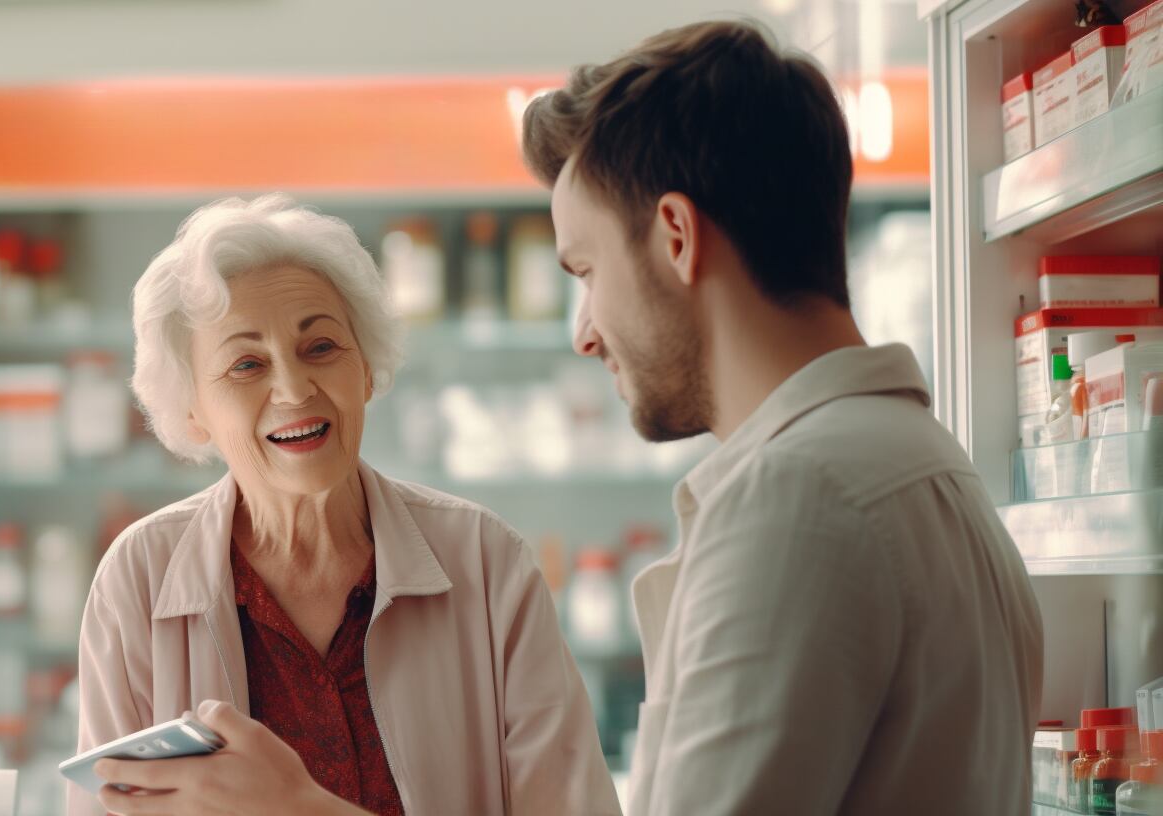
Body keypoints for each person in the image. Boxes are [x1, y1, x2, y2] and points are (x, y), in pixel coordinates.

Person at [519, 19, 1044, 815]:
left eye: (587, 271)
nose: (585, 330)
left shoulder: (798, 497)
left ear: (675, 237)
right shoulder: (926, 462)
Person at [71, 195, 618, 816]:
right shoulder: (138, 580)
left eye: (322, 347)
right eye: (246, 364)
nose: (294, 388)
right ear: (192, 411)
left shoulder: (489, 566)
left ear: (366, 370)